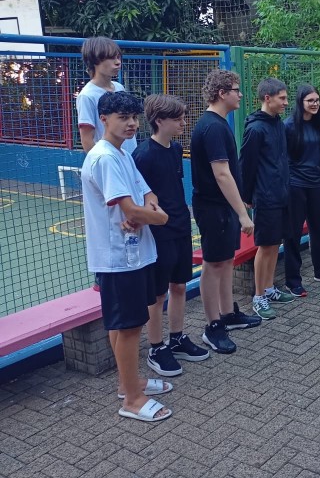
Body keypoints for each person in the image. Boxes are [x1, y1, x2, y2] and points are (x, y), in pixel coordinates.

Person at [81, 91, 172, 422]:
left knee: (126, 324)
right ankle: (132, 399)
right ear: (104, 119)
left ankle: (128, 384)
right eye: (123, 118)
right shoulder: (104, 157)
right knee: (129, 326)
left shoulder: (122, 154)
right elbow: (132, 209)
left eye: (134, 117)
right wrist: (160, 217)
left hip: (134, 253)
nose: (131, 123)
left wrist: (146, 209)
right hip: (117, 258)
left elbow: (147, 194)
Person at [133, 94, 210, 377]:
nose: (183, 123)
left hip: (180, 226)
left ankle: (176, 338)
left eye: (183, 118)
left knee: (179, 285)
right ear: (159, 120)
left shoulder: (176, 149)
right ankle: (156, 347)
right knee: (157, 294)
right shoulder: (142, 155)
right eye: (177, 119)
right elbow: (138, 197)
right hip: (157, 232)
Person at [191, 69, 261, 354]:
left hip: (223, 208)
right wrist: (242, 214)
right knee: (213, 265)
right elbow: (221, 174)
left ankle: (228, 314)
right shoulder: (212, 127)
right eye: (235, 90)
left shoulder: (219, 124)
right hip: (213, 208)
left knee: (226, 261)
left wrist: (239, 205)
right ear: (222, 93)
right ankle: (213, 326)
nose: (240, 94)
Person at [240, 78, 297, 320]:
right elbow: (246, 165)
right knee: (264, 246)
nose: (286, 102)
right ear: (267, 98)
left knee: (275, 243)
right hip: (265, 197)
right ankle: (258, 297)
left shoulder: (278, 124)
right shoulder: (255, 129)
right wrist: (247, 197)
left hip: (281, 194)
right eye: (282, 98)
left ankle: (269, 288)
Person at [284, 84, 320, 296]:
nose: (315, 104)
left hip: (316, 184)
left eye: (317, 100)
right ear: (301, 102)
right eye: (310, 101)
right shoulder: (288, 125)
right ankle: (292, 281)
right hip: (295, 185)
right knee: (293, 233)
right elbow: (283, 158)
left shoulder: (317, 123)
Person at [76, 36, 137, 154]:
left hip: (130, 157)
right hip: (111, 159)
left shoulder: (119, 87)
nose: (118, 62)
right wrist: (102, 161)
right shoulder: (87, 96)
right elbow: (86, 140)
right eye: (111, 58)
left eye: (118, 57)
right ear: (95, 61)